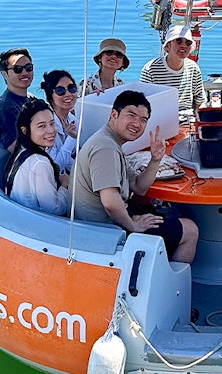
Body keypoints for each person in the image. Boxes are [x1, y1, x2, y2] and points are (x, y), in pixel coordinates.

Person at [72, 90, 198, 264]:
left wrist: (155, 160)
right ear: (114, 114)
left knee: (168, 210)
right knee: (190, 229)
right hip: (106, 234)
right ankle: (170, 286)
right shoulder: (105, 148)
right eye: (131, 115)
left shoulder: (111, 143)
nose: (137, 124)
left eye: (143, 120)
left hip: (108, 226)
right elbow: (110, 202)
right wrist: (133, 225)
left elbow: (139, 187)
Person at [4, 99, 70, 216]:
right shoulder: (40, 163)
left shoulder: (21, 150)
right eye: (42, 126)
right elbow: (54, 210)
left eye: (52, 123)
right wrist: (64, 186)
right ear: (25, 130)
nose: (51, 131)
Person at [140, 24, 205, 126]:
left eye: (188, 43)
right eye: (178, 41)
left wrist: (198, 124)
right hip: (159, 121)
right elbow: (143, 104)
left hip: (188, 122)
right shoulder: (150, 69)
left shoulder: (194, 68)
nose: (183, 45)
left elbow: (200, 101)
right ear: (168, 45)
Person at [0, 48, 35, 151]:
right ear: (5, 74)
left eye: (28, 68)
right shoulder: (4, 108)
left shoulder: (30, 99)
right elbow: (14, 147)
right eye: (18, 69)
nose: (25, 72)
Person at [39, 69, 80, 173]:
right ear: (50, 96)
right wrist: (71, 138)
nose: (68, 94)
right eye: (60, 91)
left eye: (71, 88)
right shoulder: (46, 126)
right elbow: (56, 168)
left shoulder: (73, 120)